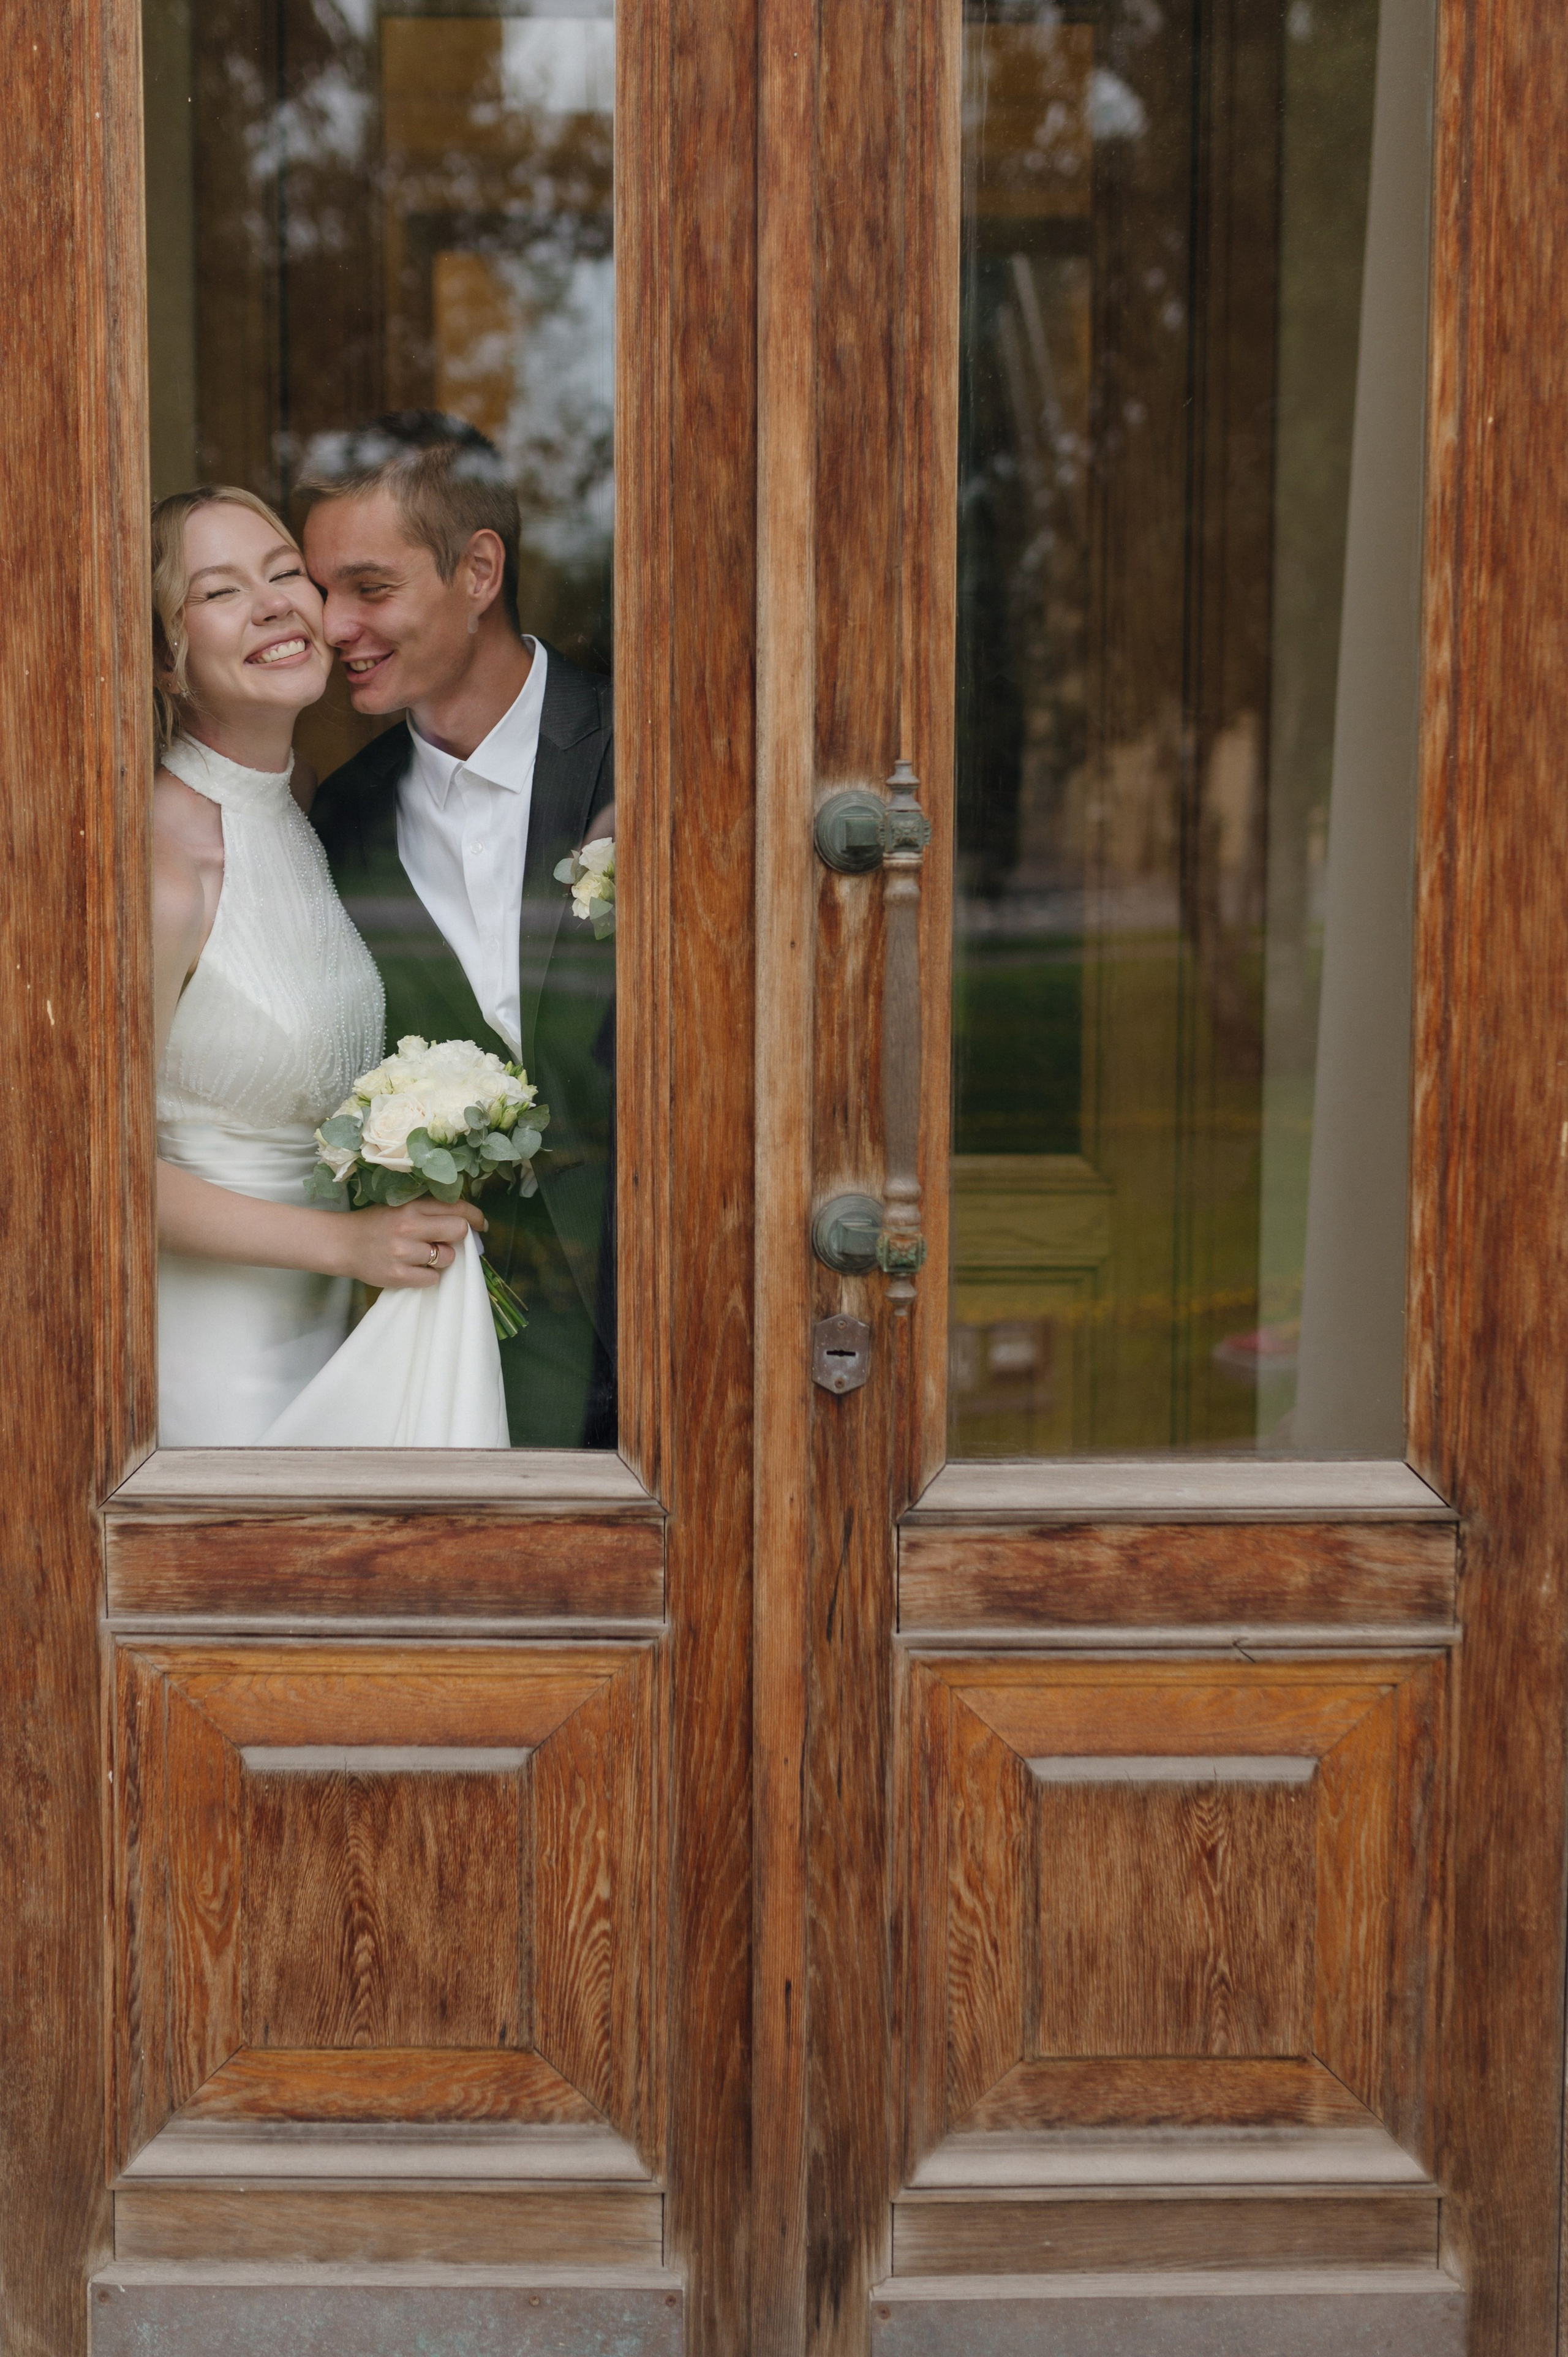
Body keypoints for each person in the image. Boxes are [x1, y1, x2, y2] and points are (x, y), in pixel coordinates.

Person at [301, 415, 616, 1449]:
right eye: (321, 593)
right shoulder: (339, 818)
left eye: (370, 589)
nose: (333, 627)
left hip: (694, 1317)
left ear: (480, 570)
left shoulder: (644, 751)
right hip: (485, 1355)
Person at [151, 485, 485, 1444]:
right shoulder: (165, 865)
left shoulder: (296, 808)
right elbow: (85, 1170)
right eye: (218, 592)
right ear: (170, 662)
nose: (272, 604)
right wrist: (345, 1242)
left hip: (333, 1325)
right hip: (213, 1359)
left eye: (284, 571)